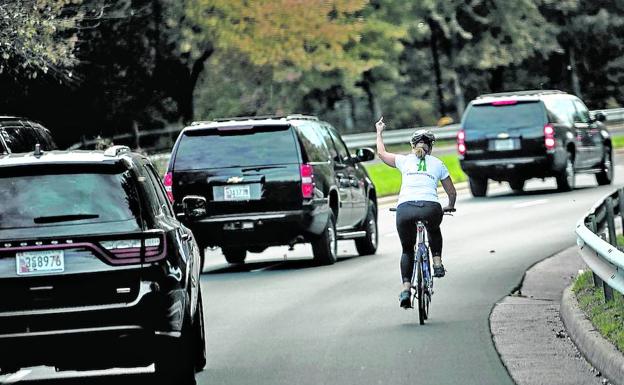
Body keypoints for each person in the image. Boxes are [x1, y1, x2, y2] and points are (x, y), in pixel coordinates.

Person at [375, 116, 457, 309]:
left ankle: (405, 289)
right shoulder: (438, 163)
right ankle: (437, 262)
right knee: (434, 228)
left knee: (407, 249)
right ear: (431, 147)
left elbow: (381, 153)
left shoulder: (403, 161)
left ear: (413, 146)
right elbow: (451, 192)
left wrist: (379, 132)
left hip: (405, 209)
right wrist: (449, 205)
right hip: (431, 207)